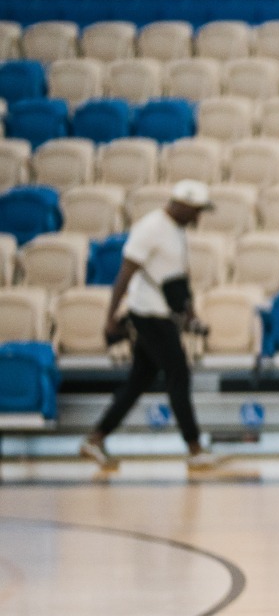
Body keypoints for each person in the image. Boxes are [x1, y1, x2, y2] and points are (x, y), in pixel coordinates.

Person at [79, 179, 220, 473]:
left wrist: (190, 313)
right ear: (181, 205)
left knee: (139, 381)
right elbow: (125, 273)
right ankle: (194, 448)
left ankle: (96, 439)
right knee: (178, 375)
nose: (198, 217)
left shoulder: (176, 230)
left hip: (163, 314)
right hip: (148, 315)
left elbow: (178, 276)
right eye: (195, 210)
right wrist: (111, 317)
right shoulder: (150, 228)